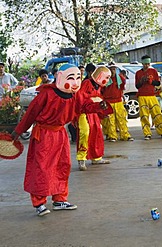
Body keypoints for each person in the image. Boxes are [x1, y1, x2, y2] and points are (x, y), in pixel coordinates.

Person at [11, 64, 110, 216]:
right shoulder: (46, 94)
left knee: (63, 165)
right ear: (60, 77)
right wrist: (18, 131)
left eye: (78, 78)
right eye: (72, 78)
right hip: (44, 134)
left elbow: (86, 104)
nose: (76, 82)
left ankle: (60, 199)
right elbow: (31, 113)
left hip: (60, 134)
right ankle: (39, 203)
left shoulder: (75, 94)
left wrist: (99, 106)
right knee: (42, 167)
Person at [76, 66, 113, 171]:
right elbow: (81, 99)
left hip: (94, 113)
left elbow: (98, 99)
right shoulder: (86, 83)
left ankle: (96, 157)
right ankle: (81, 158)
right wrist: (94, 103)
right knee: (85, 133)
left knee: (96, 134)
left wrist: (101, 110)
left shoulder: (98, 86)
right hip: (84, 113)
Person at [135, 55, 162, 140]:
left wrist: (151, 81)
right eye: (145, 64)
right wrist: (142, 81)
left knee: (157, 113)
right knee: (144, 116)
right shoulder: (138, 73)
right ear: (142, 63)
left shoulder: (153, 71)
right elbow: (137, 86)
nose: (146, 65)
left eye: (148, 64)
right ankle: (147, 133)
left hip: (152, 95)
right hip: (142, 96)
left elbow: (157, 83)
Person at [101, 62, 133, 142]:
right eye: (111, 69)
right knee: (110, 120)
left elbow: (122, 89)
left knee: (121, 118)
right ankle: (112, 136)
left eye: (114, 69)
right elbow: (101, 91)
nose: (113, 71)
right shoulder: (105, 79)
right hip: (108, 101)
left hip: (118, 101)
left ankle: (125, 135)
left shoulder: (120, 78)